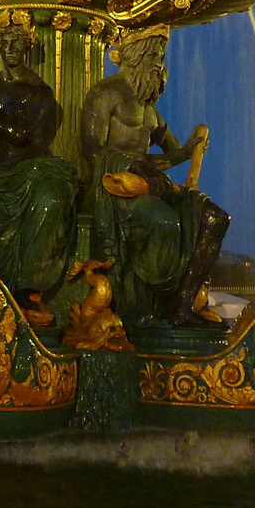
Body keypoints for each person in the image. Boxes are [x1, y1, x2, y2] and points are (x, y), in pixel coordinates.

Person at [79, 25, 228, 324]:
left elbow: (172, 153)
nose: (160, 66)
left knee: (213, 218)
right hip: (116, 188)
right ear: (135, 55)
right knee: (163, 221)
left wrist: (190, 150)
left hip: (149, 185)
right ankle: (153, 300)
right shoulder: (106, 93)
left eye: (161, 57)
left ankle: (181, 305)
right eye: (155, 56)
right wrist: (133, 168)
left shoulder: (152, 112)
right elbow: (93, 150)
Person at [0, 10, 76, 317]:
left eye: (15, 42)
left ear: (27, 46)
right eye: (3, 41)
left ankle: (29, 291)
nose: (8, 48)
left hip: (32, 172)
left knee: (50, 200)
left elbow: (21, 136)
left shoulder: (40, 93)